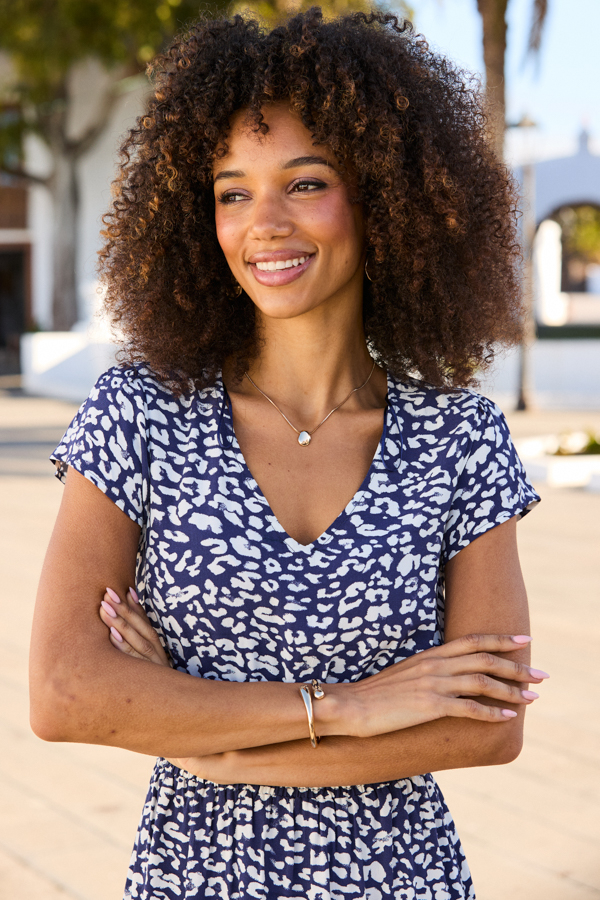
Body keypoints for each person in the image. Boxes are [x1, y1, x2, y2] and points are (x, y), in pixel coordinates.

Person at [30, 9, 547, 899]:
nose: (262, 223)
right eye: (232, 191)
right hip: (193, 880)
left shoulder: (459, 437)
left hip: (401, 881)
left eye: (304, 183)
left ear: (384, 195)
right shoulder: (141, 415)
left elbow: (489, 724)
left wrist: (218, 745)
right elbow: (66, 692)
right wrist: (353, 706)